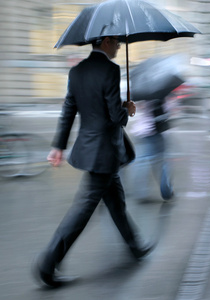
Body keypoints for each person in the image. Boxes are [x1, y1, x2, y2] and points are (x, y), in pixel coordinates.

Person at [33, 36, 153, 288]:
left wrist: (59, 146)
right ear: (106, 42)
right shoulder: (111, 70)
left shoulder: (77, 71)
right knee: (82, 210)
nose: (120, 46)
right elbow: (113, 116)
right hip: (104, 152)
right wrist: (127, 110)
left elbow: (69, 109)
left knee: (116, 203)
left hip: (91, 149)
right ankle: (47, 263)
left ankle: (135, 247)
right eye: (117, 42)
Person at [130, 99, 174, 201]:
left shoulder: (142, 93)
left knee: (142, 161)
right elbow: (168, 110)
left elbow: (135, 107)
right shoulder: (161, 93)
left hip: (142, 130)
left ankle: (141, 192)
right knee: (162, 162)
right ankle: (166, 191)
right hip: (156, 131)